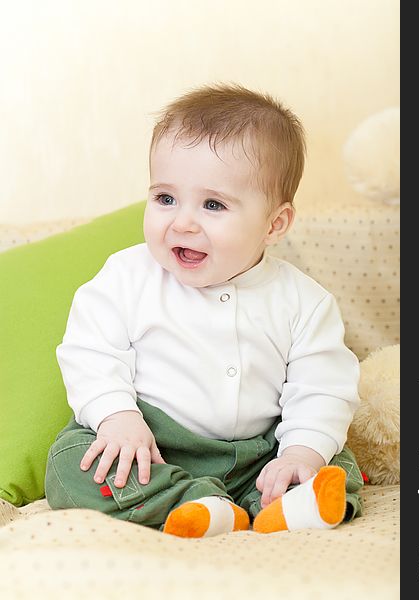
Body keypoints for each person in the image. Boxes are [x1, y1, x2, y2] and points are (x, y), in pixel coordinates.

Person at [45, 83, 364, 537]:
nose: (182, 222)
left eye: (213, 204)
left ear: (275, 224)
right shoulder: (127, 276)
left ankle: (281, 504)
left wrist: (302, 452)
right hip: (152, 443)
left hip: (262, 451)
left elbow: (324, 388)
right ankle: (199, 503)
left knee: (333, 455)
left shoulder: (304, 301)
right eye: (165, 198)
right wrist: (118, 417)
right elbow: (90, 352)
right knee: (71, 464)